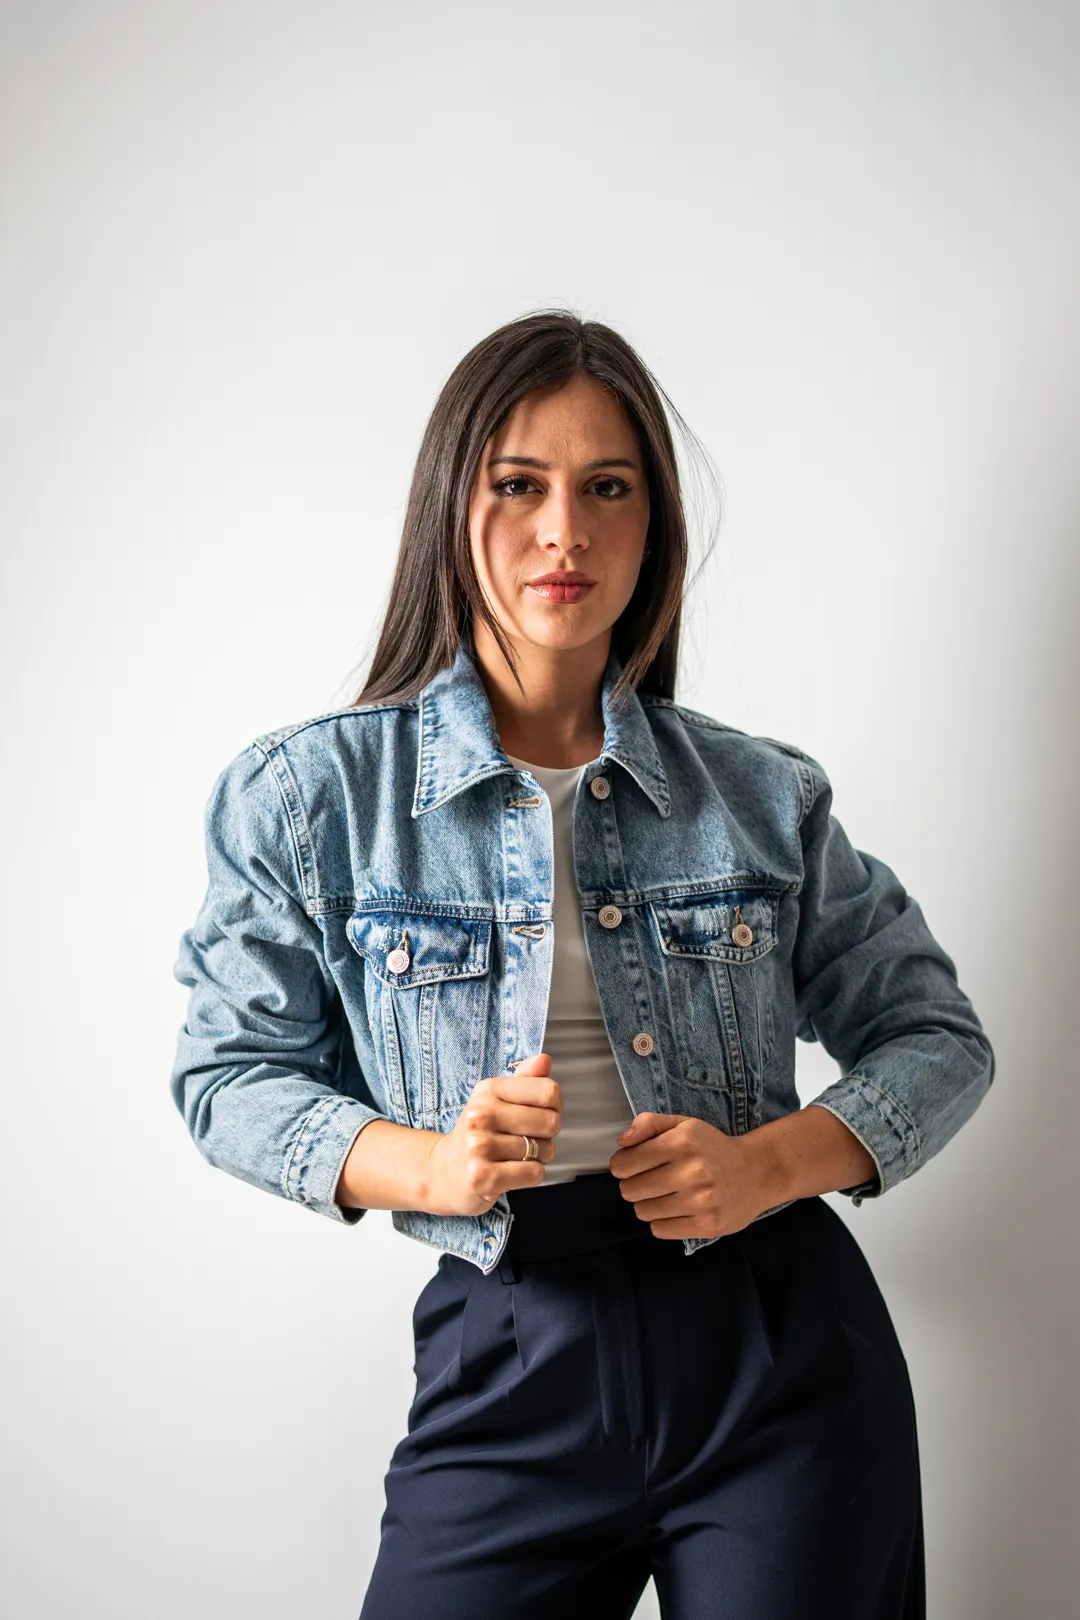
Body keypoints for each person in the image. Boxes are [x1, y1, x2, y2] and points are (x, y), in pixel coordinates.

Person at [170, 308, 995, 1619]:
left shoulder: (761, 797)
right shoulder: (311, 798)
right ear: (451, 507)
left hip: (780, 1351)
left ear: (653, 524)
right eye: (519, 485)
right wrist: (430, 1166)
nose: (566, 532)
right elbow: (229, 1076)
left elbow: (936, 1037)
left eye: (608, 488)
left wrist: (763, 1168)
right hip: (507, 1347)